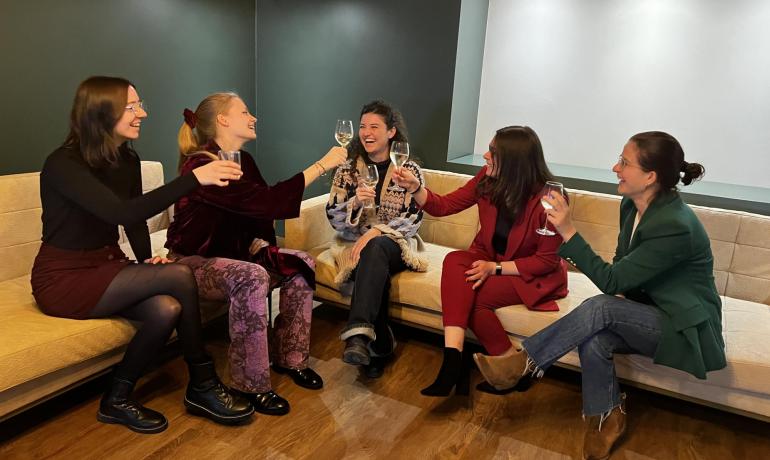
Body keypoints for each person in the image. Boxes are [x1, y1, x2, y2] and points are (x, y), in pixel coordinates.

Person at [474, 131, 727, 459]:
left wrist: (567, 230)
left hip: (685, 327)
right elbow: (623, 266)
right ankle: (607, 417)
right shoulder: (631, 205)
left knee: (602, 308)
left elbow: (610, 281)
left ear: (650, 176)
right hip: (649, 310)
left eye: (624, 162)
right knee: (595, 337)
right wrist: (621, 298)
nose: (614, 167)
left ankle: (525, 362)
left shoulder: (675, 223)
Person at [31, 76, 253, 434]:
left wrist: (145, 260)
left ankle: (116, 399)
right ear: (102, 112)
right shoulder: (63, 164)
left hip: (106, 264)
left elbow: (134, 223)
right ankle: (202, 382)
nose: (142, 113)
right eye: (132, 107)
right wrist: (194, 178)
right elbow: (123, 214)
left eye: (139, 104)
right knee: (180, 276)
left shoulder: (126, 159)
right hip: (63, 277)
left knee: (167, 307)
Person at [165, 92, 347, 415]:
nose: (253, 118)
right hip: (191, 263)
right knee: (251, 276)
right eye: (245, 112)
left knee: (300, 262)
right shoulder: (200, 164)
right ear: (223, 119)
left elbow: (259, 209)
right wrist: (323, 165)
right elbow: (268, 202)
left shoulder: (244, 161)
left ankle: (290, 357)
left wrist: (262, 241)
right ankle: (251, 384)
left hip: (236, 255)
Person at [392, 126, 568, 396]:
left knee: (472, 297)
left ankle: (480, 366)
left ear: (513, 161)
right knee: (454, 260)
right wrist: (416, 188)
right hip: (489, 259)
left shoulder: (550, 199)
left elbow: (545, 261)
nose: (485, 156)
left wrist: (494, 268)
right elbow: (444, 206)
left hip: (531, 273)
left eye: (493, 153)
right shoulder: (487, 178)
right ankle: (458, 358)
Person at [327, 100, 426, 378]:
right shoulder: (347, 169)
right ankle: (374, 343)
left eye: (374, 126)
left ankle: (360, 335)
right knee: (373, 263)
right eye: (362, 127)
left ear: (391, 132)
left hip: (396, 245)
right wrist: (355, 204)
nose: (366, 133)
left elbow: (414, 218)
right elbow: (332, 215)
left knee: (377, 246)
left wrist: (377, 230)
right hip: (357, 245)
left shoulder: (408, 171)